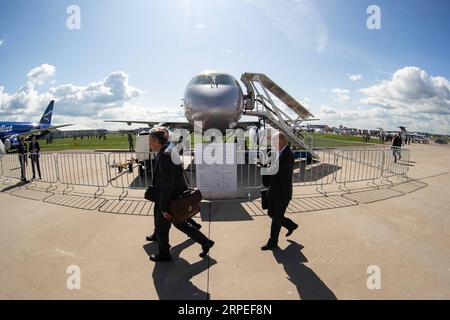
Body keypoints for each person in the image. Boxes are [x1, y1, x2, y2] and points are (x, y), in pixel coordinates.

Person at [147, 127, 214, 262]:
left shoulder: (165, 155)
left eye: (150, 140)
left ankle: (164, 254)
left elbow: (167, 185)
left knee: (161, 229)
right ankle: (205, 242)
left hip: (169, 200)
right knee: (181, 224)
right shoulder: (169, 151)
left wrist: (164, 207)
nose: (149, 144)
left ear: (156, 141)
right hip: (174, 199)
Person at [261, 132, 299, 251]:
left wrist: (265, 166)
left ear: (280, 141)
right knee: (271, 214)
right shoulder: (278, 153)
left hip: (283, 193)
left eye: (274, 142)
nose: (272, 144)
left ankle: (272, 242)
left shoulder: (288, 155)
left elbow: (276, 170)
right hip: (274, 190)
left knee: (276, 218)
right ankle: (291, 225)